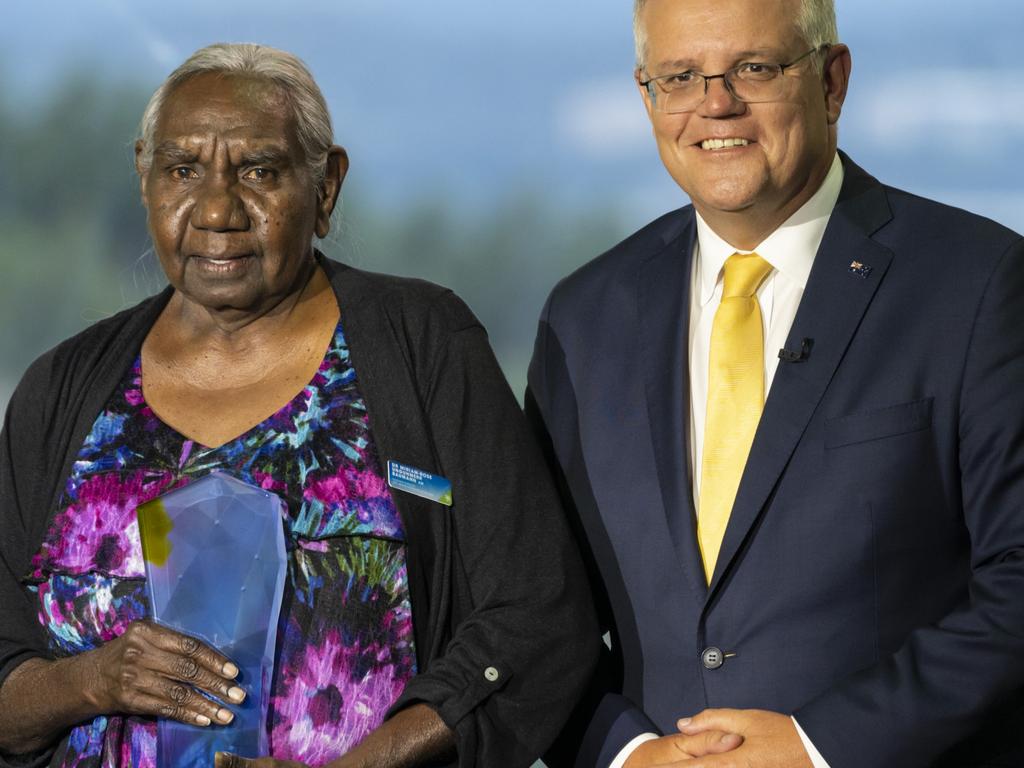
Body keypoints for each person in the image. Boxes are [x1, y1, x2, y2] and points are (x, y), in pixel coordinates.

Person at [0, 43, 597, 768]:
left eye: (259, 171)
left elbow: (540, 618)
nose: (218, 209)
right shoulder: (60, 393)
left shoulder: (421, 346)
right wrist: (91, 681)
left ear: (326, 186)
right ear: (145, 179)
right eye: (183, 170)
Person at [527, 0, 1024, 766]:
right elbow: (536, 607)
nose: (715, 104)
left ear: (833, 80)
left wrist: (818, 743)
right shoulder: (583, 318)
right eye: (681, 77)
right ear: (647, 96)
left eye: (753, 69)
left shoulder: (979, 284)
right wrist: (624, 754)